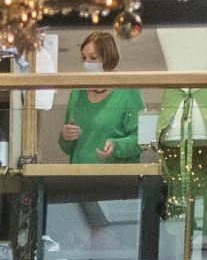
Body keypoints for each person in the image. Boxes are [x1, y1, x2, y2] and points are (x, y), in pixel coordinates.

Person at [60, 29, 145, 163]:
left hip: (118, 179)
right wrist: (65, 137)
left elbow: (142, 139)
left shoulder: (128, 92)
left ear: (108, 58)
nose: (86, 63)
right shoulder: (77, 91)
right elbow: (66, 148)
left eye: (93, 58)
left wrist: (116, 146)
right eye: (83, 57)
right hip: (79, 177)